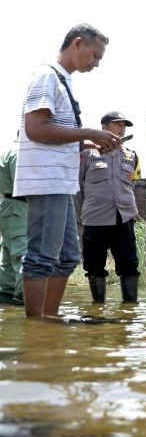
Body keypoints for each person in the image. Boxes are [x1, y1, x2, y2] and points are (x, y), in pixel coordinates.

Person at [14, 24, 121, 319]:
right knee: (42, 257)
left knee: (67, 257)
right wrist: (88, 132)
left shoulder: (63, 81)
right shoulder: (46, 76)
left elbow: (56, 134)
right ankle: (36, 326)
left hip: (61, 182)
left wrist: (90, 143)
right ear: (77, 43)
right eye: (95, 55)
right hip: (46, 181)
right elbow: (36, 129)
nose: (97, 63)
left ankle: (50, 318)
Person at [76, 111, 140, 304]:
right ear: (104, 127)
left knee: (129, 265)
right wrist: (82, 217)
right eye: (117, 124)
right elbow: (77, 187)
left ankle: (129, 310)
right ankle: (97, 310)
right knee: (94, 266)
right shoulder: (87, 154)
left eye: (124, 125)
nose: (122, 128)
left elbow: (133, 184)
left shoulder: (132, 155)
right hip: (95, 219)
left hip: (124, 218)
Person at [0, 142, 26, 306]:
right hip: (18, 206)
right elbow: (22, 185)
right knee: (24, 254)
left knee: (9, 254)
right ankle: (23, 295)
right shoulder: (20, 152)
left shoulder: (7, 150)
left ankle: (8, 293)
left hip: (9, 206)